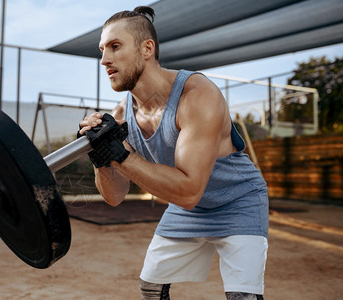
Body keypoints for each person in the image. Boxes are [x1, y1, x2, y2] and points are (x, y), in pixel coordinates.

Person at [78, 6, 268, 300]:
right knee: (151, 288)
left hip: (237, 200)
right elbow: (114, 197)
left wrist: (122, 155)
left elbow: (189, 190)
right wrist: (103, 158)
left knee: (243, 297)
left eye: (115, 47)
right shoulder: (121, 116)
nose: (104, 60)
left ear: (147, 49)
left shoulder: (197, 95)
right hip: (188, 209)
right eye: (102, 50)